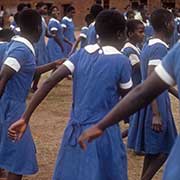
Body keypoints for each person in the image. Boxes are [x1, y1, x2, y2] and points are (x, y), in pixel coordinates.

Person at [8, 10, 132, 180]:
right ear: (120, 34)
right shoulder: (121, 61)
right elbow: (130, 99)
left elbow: (49, 81)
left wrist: (25, 117)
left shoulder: (81, 54)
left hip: (74, 133)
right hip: (103, 134)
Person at [127, 9, 177, 180]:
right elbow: (151, 77)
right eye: (172, 21)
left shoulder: (149, 44)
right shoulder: (159, 48)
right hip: (156, 104)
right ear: (167, 24)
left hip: (152, 101)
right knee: (166, 149)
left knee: (154, 149)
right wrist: (156, 114)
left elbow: (159, 79)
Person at [0, 9, 42, 180]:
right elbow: (4, 76)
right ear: (39, 28)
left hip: (10, 104)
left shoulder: (18, 45)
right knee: (19, 157)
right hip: (13, 107)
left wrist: (54, 65)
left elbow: (25, 71)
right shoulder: (21, 49)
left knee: (10, 151)